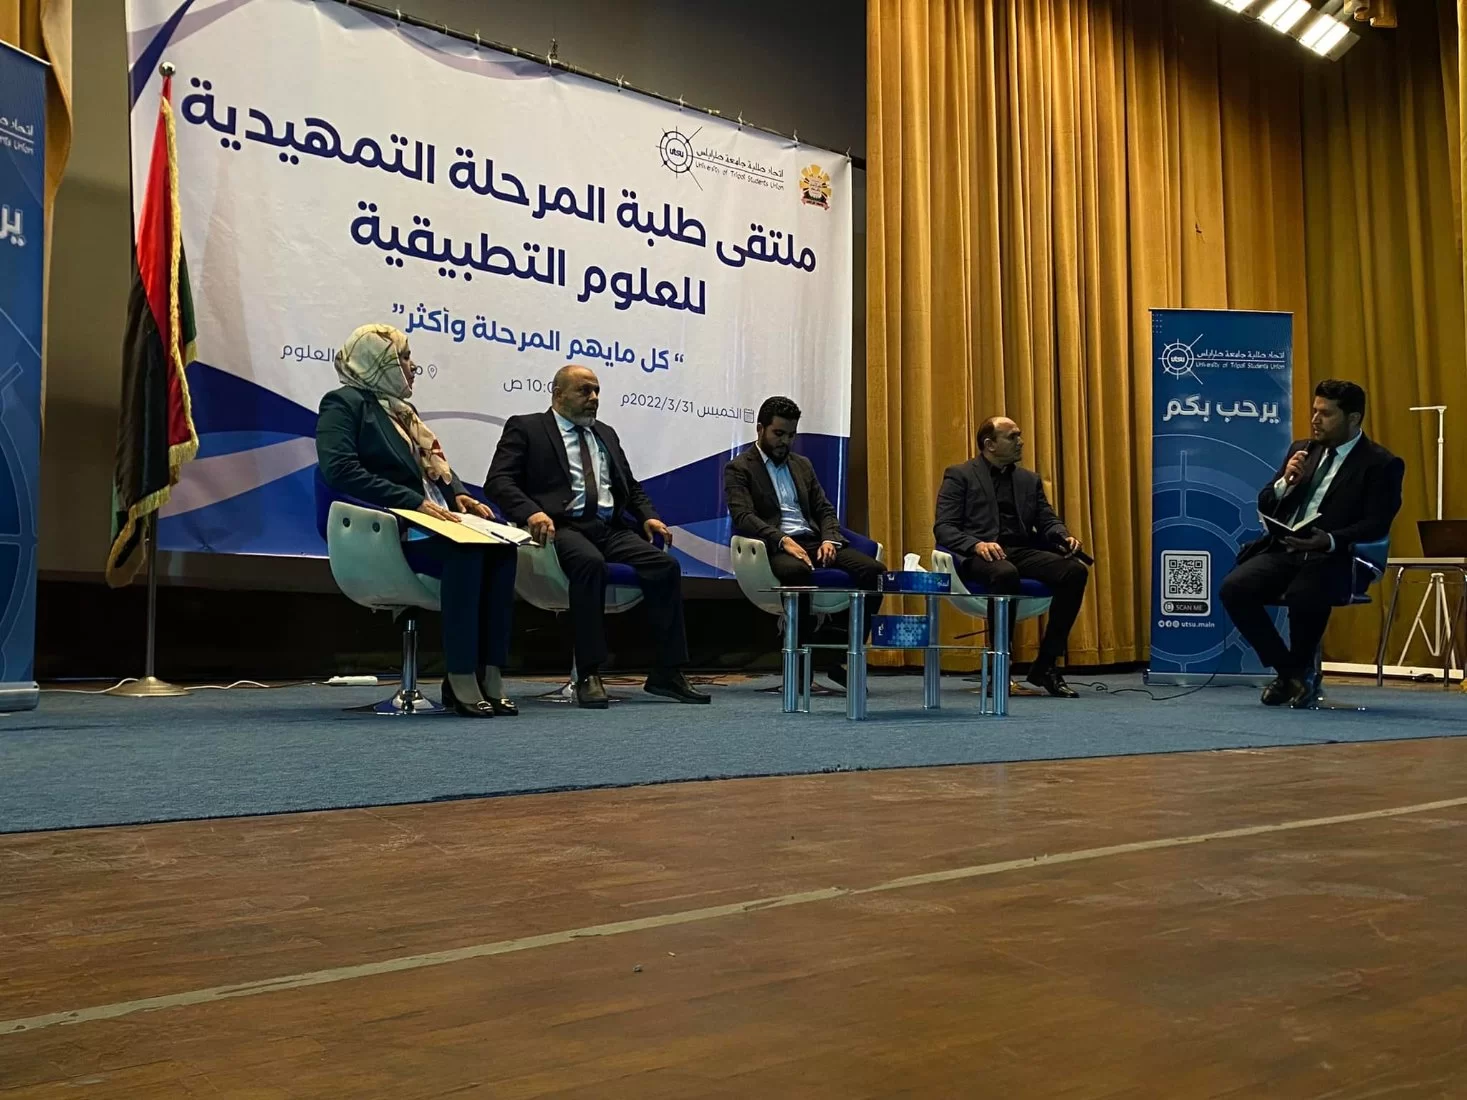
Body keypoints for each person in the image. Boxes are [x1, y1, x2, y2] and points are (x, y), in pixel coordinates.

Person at [316, 324, 517, 719]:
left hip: (434, 524)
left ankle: (489, 673)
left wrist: (458, 494)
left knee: (503, 553)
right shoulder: (344, 403)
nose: (412, 367)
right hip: (388, 532)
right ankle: (460, 676)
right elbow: (340, 470)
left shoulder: (403, 413)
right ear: (379, 362)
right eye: (404, 358)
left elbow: (433, 470)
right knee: (467, 554)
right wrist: (411, 502)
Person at [486, 364, 709, 709]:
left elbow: (630, 486)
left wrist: (648, 516)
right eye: (584, 391)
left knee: (664, 566)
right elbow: (499, 481)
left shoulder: (605, 433)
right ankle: (589, 672)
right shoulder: (528, 428)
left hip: (608, 528)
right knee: (590, 564)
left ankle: (667, 671)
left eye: (596, 391)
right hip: (561, 526)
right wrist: (531, 512)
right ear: (558, 394)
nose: (593, 398)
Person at [1220, 379, 1403, 708]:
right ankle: (1292, 673)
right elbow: (1266, 502)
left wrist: (1329, 540)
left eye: (1326, 414)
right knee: (1234, 588)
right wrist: (1284, 484)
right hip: (1287, 549)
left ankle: (1293, 677)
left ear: (1353, 418)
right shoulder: (1302, 449)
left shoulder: (1380, 463)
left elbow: (1377, 523)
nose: (1315, 420)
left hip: (1337, 556)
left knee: (1305, 593)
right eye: (1314, 411)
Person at [724, 395, 883, 687]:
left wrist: (830, 539)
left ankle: (839, 656)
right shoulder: (739, 467)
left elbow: (824, 509)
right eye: (778, 434)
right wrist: (782, 539)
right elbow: (743, 516)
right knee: (798, 573)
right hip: (773, 547)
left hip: (811, 540)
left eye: (791, 435)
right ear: (760, 429)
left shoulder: (802, 465)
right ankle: (799, 669)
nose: (785, 441)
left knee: (874, 572)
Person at [933, 416, 1089, 698]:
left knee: (1075, 572)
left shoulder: (1029, 480)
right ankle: (1000, 668)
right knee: (1005, 573)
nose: (1021, 442)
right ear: (990, 444)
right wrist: (976, 545)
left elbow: (1047, 519)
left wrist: (1062, 535)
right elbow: (944, 527)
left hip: (1019, 550)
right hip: (980, 554)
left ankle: (1046, 665)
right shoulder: (960, 475)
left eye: (1019, 435)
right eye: (1012, 437)